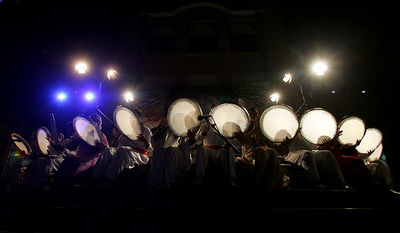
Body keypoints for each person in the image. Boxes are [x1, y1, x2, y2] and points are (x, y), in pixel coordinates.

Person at [235, 107, 289, 190]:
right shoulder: (245, 129)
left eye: (255, 114)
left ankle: (269, 182)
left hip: (264, 153)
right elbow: (245, 141)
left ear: (258, 115)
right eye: (251, 115)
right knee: (262, 151)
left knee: (271, 151)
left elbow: (272, 144)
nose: (253, 116)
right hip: (250, 154)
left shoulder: (263, 130)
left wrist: (283, 144)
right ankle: (257, 180)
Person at [92, 109, 152, 183]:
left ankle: (109, 179)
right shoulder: (126, 130)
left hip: (140, 154)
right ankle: (96, 177)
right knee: (108, 150)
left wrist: (144, 140)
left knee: (122, 150)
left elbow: (150, 150)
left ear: (139, 119)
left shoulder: (146, 130)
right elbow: (117, 146)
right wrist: (116, 137)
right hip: (125, 151)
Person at [276, 130, 347, 189]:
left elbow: (316, 147)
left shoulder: (307, 128)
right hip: (293, 153)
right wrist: (290, 137)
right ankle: (315, 183)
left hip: (311, 151)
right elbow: (277, 146)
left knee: (326, 154)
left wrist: (331, 139)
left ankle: (340, 184)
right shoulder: (288, 128)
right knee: (306, 154)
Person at [53, 114, 108, 188]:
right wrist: (74, 139)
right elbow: (71, 146)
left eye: (96, 122)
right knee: (67, 162)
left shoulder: (101, 136)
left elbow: (106, 150)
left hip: (91, 161)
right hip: (79, 159)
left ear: (99, 124)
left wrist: (99, 145)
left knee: (76, 173)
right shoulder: (84, 135)